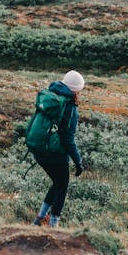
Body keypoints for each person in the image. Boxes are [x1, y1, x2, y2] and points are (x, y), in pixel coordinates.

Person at [31, 70, 85, 228]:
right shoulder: (69, 107)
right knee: (62, 186)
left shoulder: (50, 95)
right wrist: (78, 161)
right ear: (76, 89)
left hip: (38, 149)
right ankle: (53, 226)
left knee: (57, 182)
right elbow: (68, 139)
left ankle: (39, 219)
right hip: (55, 153)